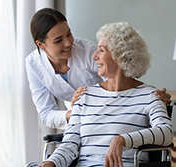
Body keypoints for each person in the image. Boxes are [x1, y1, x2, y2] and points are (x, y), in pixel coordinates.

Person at [36, 22, 173, 167]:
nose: (94, 56)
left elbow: (165, 133)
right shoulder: (85, 96)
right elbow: (69, 145)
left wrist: (123, 140)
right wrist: (51, 162)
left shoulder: (150, 96)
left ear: (120, 56)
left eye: (101, 50)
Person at [25, 8, 172, 130]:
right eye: (58, 40)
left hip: (111, 116)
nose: (69, 43)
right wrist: (75, 113)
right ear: (41, 45)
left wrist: (150, 96)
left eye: (69, 34)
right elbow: (46, 114)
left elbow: (118, 82)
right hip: (78, 123)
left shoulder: (86, 50)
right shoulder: (33, 65)